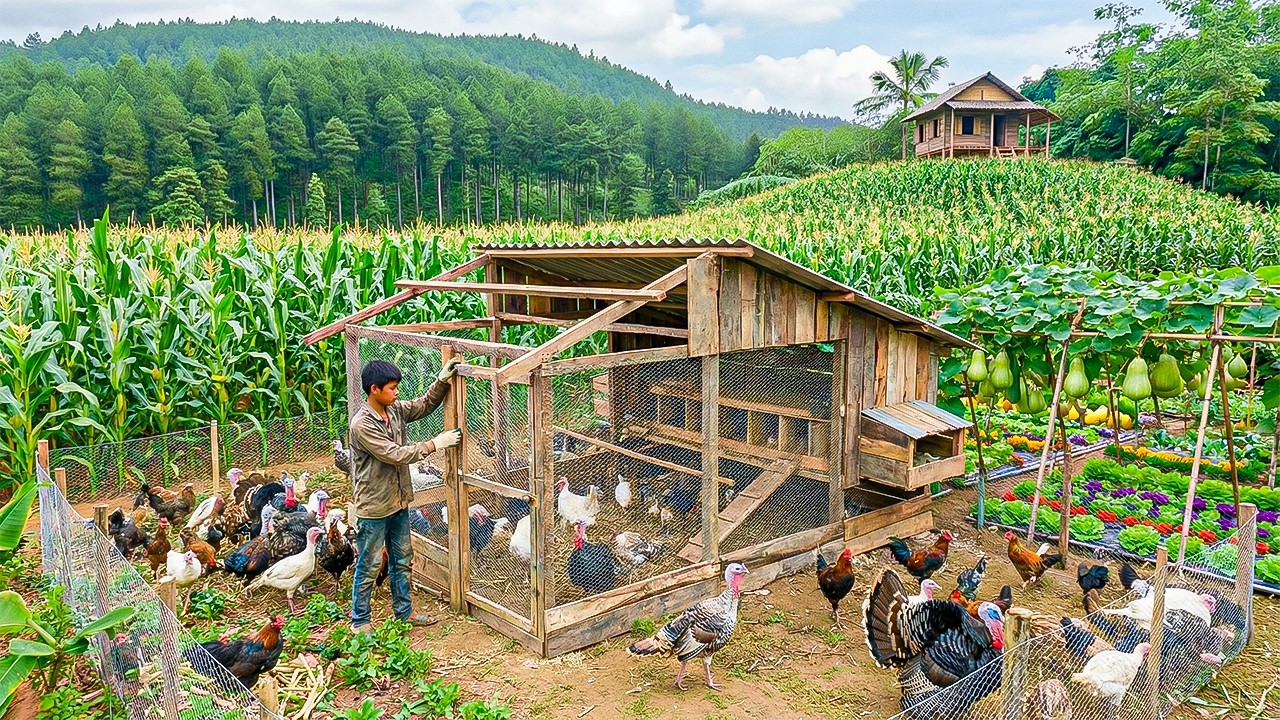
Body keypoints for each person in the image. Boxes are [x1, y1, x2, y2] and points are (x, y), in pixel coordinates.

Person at [348, 357, 462, 631]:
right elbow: (394, 454)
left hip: (398, 501)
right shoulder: (362, 424)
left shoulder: (394, 409)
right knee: (370, 564)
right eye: (392, 387)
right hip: (374, 507)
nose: (396, 392)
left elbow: (422, 405)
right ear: (374, 389)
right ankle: (360, 622)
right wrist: (435, 444)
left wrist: (441, 381)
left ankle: (404, 612)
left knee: (402, 559)